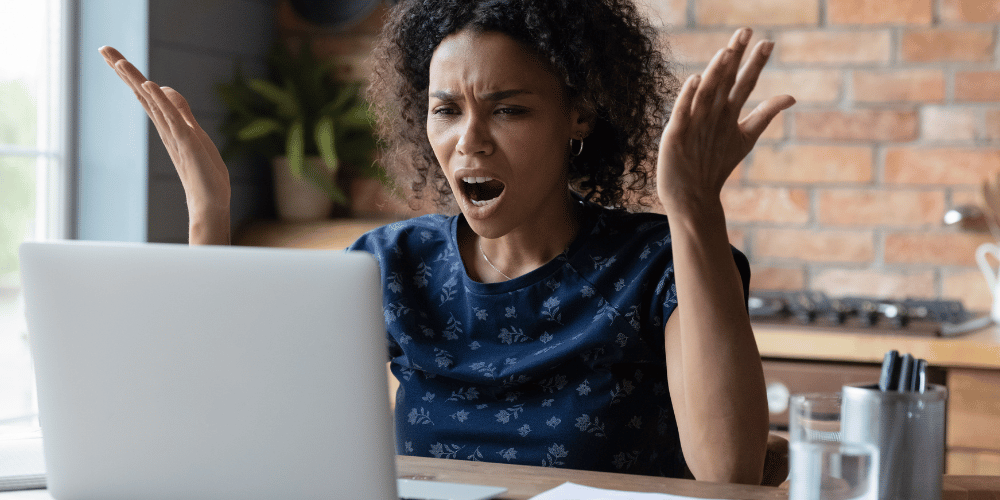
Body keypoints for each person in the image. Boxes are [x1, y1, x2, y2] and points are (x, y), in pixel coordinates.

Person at [99, 0, 794, 484]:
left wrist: (695, 207)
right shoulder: (393, 265)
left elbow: (727, 471)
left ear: (578, 115)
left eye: (509, 109)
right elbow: (240, 416)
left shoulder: (658, 263)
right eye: (447, 110)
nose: (470, 142)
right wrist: (208, 217)